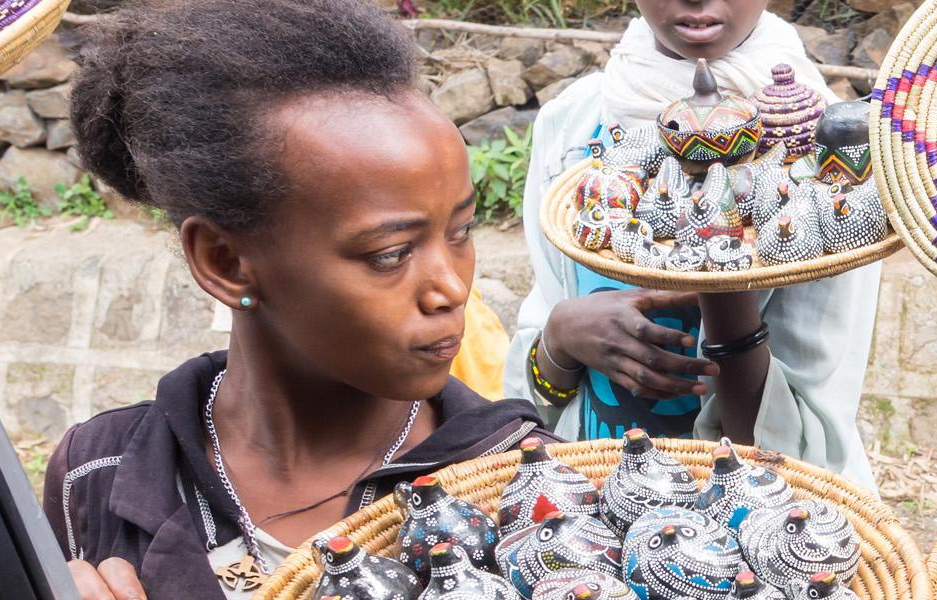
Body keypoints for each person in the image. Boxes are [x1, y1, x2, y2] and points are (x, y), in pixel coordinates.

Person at [45, 1, 561, 598]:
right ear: (225, 262)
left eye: (461, 231)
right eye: (390, 254)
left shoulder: (532, 488)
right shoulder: (101, 474)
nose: (451, 290)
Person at [509, 0, 879, 487]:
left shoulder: (832, 152)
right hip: (591, 496)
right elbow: (526, 399)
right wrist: (560, 338)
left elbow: (803, 449)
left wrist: (722, 284)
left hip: (759, 524)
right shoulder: (572, 128)